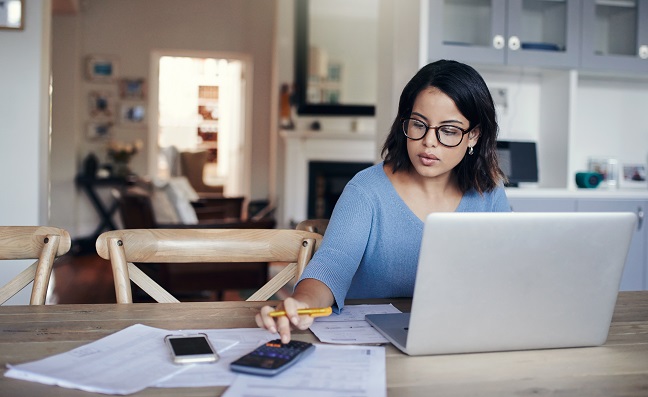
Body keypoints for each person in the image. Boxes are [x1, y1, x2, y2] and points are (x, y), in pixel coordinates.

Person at [256, 59, 511, 343]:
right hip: (371, 343)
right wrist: (301, 303)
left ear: (473, 135)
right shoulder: (366, 191)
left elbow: (507, 273)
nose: (429, 142)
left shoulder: (489, 192)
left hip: (458, 337)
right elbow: (332, 265)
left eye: (448, 130)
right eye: (419, 125)